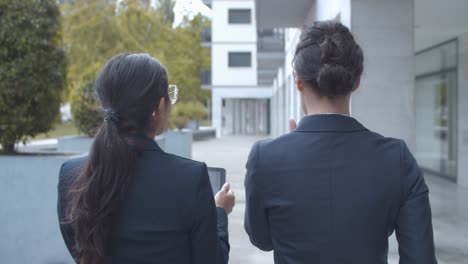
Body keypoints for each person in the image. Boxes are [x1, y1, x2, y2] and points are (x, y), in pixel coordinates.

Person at [244, 20, 437, 264]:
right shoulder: (396, 157)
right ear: (356, 82)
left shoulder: (265, 156)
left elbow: (262, 240)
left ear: (298, 82)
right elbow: (420, 258)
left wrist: (285, 151)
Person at [57, 53, 235, 264]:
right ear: (160, 107)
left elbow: (79, 250)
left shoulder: (71, 173)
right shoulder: (190, 178)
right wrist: (219, 213)